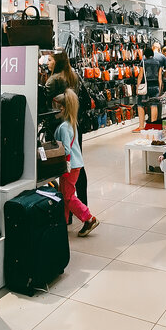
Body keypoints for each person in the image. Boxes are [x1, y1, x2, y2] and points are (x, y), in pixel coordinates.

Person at [45, 50, 87, 217]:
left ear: (57, 62)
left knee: (60, 166)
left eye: (50, 60)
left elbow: (45, 104)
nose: (47, 62)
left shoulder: (53, 80)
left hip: (57, 126)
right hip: (74, 123)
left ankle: (66, 209)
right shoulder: (74, 76)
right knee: (77, 164)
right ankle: (79, 203)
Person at [53, 90, 98, 237]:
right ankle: (63, 222)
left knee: (68, 196)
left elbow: (66, 149)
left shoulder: (64, 127)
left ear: (62, 108)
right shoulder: (71, 124)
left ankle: (89, 218)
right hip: (75, 164)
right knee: (65, 194)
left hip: (69, 166)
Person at [134, 46, 164, 131]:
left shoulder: (143, 62)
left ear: (145, 55)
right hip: (155, 86)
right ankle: (153, 126)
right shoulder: (158, 63)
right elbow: (160, 77)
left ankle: (141, 126)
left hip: (145, 87)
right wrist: (160, 88)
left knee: (140, 105)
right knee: (154, 105)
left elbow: (140, 75)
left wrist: (137, 87)